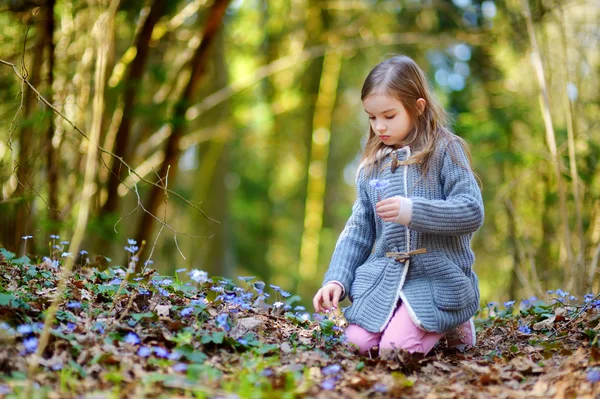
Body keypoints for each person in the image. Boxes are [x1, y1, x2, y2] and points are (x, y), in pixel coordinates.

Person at [312, 55, 483, 356]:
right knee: (356, 345)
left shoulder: (445, 150)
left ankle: (455, 319)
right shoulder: (371, 167)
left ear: (418, 107)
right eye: (372, 117)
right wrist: (336, 279)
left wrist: (413, 211)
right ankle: (405, 319)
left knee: (395, 350)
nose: (379, 126)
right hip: (385, 278)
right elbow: (357, 230)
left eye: (389, 116)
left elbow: (471, 210)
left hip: (437, 279)